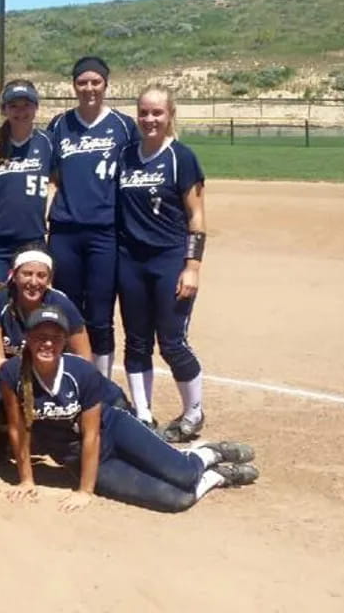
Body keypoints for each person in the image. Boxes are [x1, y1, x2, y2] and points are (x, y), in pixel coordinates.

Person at [0, 308, 258, 512]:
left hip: (114, 429)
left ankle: (207, 454)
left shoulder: (81, 371)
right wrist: (26, 479)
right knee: (177, 499)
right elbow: (18, 428)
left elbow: (92, 434)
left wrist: (85, 491)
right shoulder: (12, 374)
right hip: (83, 458)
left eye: (55, 338)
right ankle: (217, 477)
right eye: (40, 337)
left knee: (185, 473)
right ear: (28, 339)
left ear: (64, 341)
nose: (47, 344)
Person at [116, 84, 208, 442]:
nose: (149, 119)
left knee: (172, 342)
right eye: (144, 112)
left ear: (170, 115)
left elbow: (197, 218)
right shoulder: (126, 156)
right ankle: (142, 413)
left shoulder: (181, 157)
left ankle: (193, 412)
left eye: (157, 113)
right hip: (131, 262)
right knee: (136, 341)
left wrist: (192, 267)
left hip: (169, 259)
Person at [47, 56, 139, 380]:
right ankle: (69, 379)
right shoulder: (60, 125)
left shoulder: (124, 126)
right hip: (65, 231)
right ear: (74, 86)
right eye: (82, 82)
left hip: (106, 232)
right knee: (66, 310)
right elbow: (52, 174)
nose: (89, 88)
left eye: (95, 82)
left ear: (105, 84)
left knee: (100, 315)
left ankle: (99, 384)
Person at [0, 80, 53, 294]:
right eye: (13, 105)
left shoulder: (48, 142)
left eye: (26, 104)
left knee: (30, 309)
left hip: (32, 240)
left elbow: (61, 179)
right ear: (3, 109)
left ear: (36, 107)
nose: (20, 111)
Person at [0, 247, 91, 375]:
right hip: (8, 378)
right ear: (13, 276)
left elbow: (84, 357)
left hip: (49, 378)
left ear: (49, 280)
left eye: (41, 275)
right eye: (27, 274)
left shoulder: (62, 304)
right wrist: (19, 385)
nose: (34, 282)